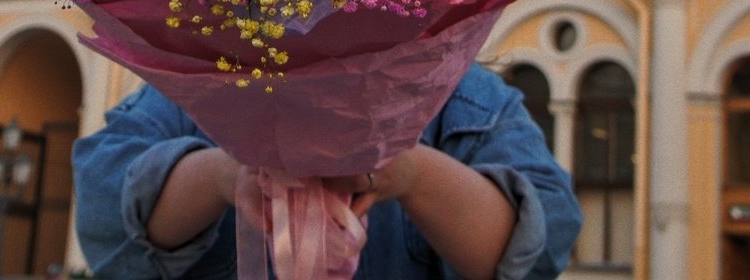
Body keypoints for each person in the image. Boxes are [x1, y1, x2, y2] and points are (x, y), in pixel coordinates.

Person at [72, 63, 582, 279]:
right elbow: (105, 201)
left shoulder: (465, 97)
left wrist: (401, 170)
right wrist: (231, 173)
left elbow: (539, 242)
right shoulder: (203, 81)